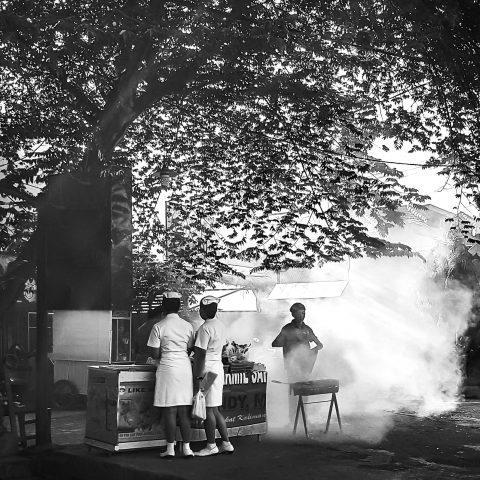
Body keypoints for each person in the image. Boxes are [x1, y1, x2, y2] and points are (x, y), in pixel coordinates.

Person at [147, 291, 195, 458]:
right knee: (184, 410)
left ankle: (170, 449)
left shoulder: (159, 326)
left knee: (170, 411)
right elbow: (190, 348)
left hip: (167, 368)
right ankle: (187, 449)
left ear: (164, 306)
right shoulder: (188, 326)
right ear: (179, 307)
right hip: (184, 368)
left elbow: (154, 354)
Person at [193, 296, 234, 457]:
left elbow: (200, 355)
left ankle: (211, 445)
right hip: (217, 367)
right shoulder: (221, 326)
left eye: (200, 309)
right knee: (215, 409)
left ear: (203, 310)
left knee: (208, 409)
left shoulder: (205, 328)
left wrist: (198, 376)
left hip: (207, 370)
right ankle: (226, 443)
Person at [272, 302, 323, 381]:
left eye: (303, 313)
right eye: (298, 313)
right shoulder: (287, 329)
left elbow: (320, 345)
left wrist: (310, 352)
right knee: (294, 388)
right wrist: (289, 341)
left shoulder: (307, 329)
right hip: (292, 365)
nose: (301, 316)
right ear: (293, 314)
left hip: (305, 365)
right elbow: (275, 343)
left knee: (304, 386)